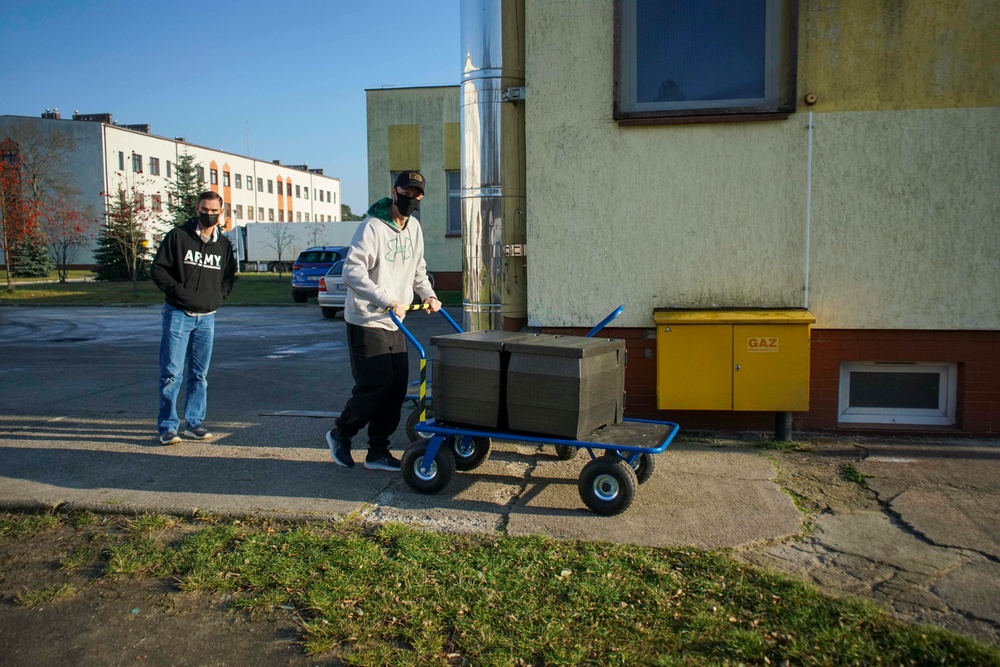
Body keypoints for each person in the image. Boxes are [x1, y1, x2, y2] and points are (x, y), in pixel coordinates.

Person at [327, 171, 441, 470]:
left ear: (421, 197)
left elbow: (418, 269)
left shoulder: (414, 227)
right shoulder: (372, 227)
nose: (410, 197)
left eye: (416, 193)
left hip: (396, 320)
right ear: (395, 191)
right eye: (406, 191)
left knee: (396, 388)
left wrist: (428, 294)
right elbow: (352, 272)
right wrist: (385, 299)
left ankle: (377, 450)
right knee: (375, 384)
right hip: (367, 318)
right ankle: (341, 434)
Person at [151, 191, 237, 445]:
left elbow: (229, 276)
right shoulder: (178, 236)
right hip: (178, 314)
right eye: (204, 209)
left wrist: (217, 297)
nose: (208, 214)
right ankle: (167, 426)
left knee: (199, 375)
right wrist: (179, 293)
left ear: (221, 213)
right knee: (171, 373)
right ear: (196, 208)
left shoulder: (223, 244)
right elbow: (158, 269)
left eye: (213, 211)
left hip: (207, 317)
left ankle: (194, 422)